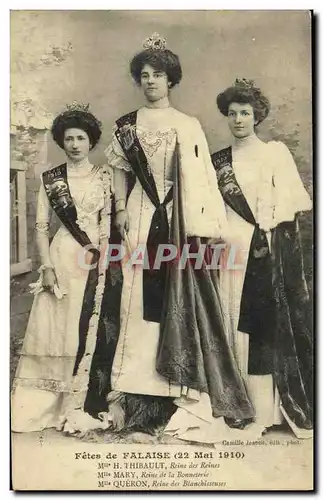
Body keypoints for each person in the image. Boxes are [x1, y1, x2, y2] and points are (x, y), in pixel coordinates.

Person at [104, 34, 259, 442]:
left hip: (176, 217)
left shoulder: (187, 124)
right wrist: (120, 207)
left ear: (171, 80)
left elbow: (204, 182)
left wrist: (200, 229)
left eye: (158, 74)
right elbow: (120, 172)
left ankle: (175, 392)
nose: (151, 81)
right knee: (135, 302)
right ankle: (137, 397)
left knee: (175, 298)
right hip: (140, 215)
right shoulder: (126, 126)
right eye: (144, 75)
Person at [211, 78, 313, 438]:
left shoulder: (274, 153)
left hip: (263, 246)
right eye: (233, 113)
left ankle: (263, 411)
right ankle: (234, 404)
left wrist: (268, 225)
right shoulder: (218, 161)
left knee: (259, 326)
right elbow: (211, 208)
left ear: (257, 117)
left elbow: (293, 200)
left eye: (245, 113)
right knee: (230, 320)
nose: (238, 119)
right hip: (229, 249)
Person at [11, 103, 117, 435]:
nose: (74, 144)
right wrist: (46, 267)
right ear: (61, 141)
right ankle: (45, 406)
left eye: (80, 138)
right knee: (55, 329)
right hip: (60, 257)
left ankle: (79, 403)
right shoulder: (51, 179)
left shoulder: (105, 176)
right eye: (68, 138)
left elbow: (108, 222)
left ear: (91, 142)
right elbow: (42, 227)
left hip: (92, 259)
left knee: (84, 326)